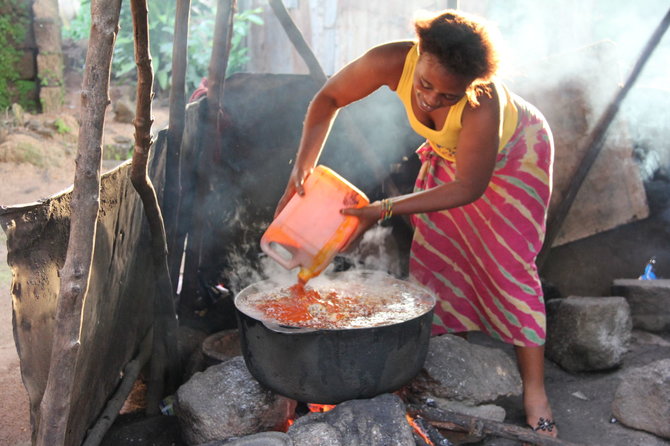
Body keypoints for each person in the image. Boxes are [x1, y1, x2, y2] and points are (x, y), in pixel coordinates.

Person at [274, 9, 556, 437]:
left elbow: (468, 188)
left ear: (471, 88)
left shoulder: (483, 105)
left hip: (515, 156)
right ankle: (451, 361)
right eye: (425, 86)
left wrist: (383, 209)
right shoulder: (391, 61)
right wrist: (303, 169)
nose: (431, 100)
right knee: (438, 250)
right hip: (452, 157)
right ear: (417, 56)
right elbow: (329, 99)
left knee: (507, 265)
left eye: (448, 96)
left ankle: (536, 391)